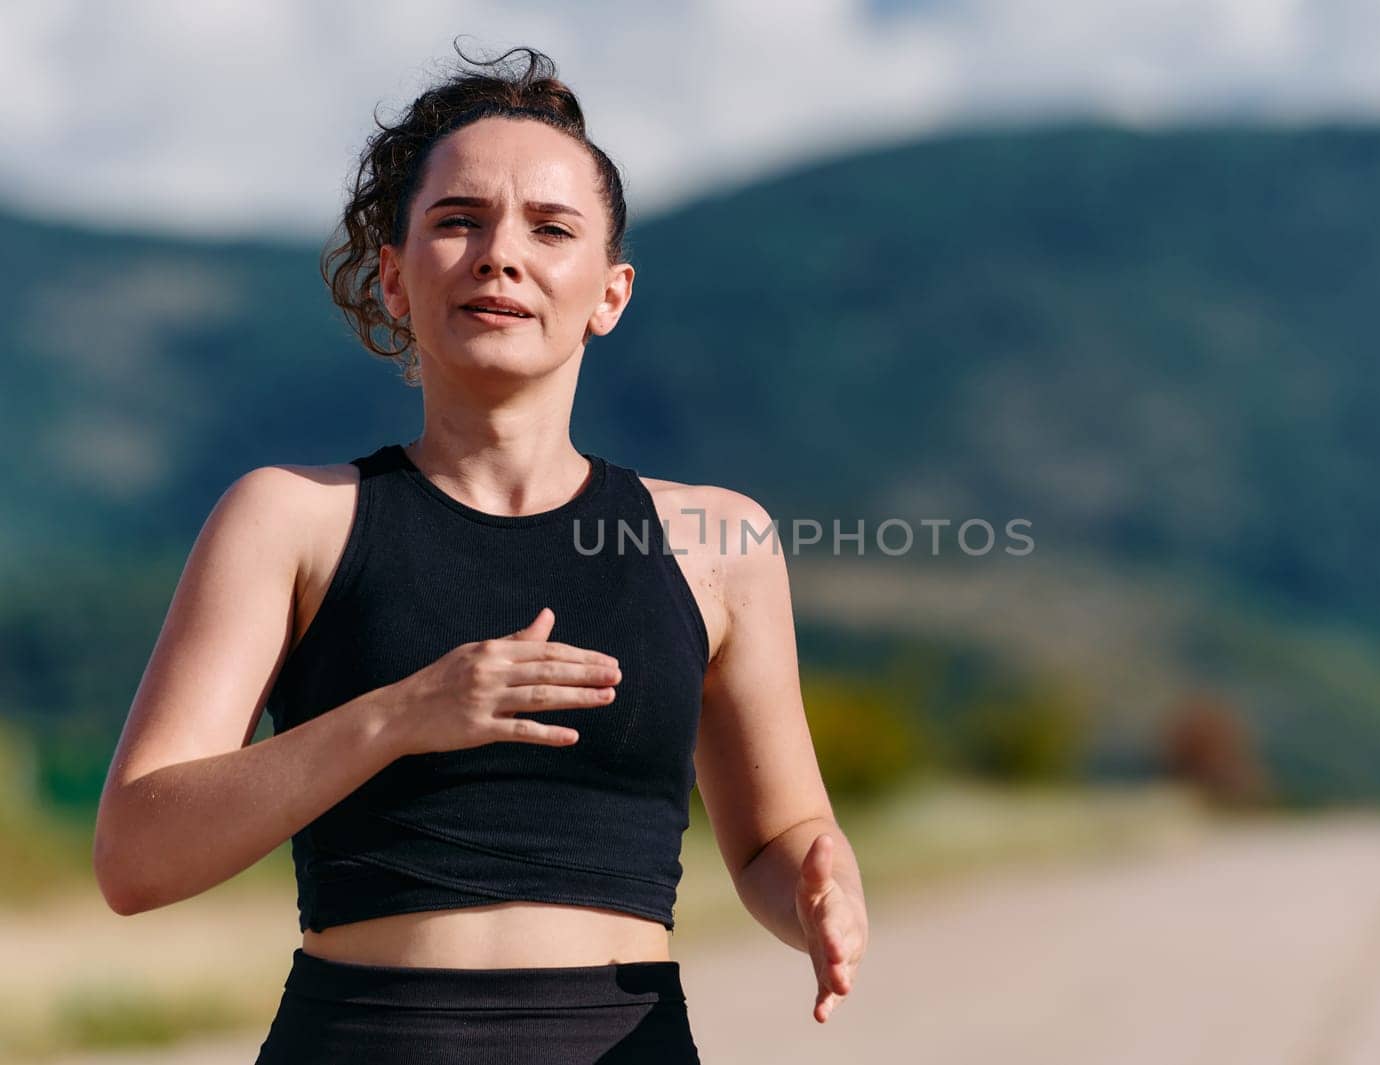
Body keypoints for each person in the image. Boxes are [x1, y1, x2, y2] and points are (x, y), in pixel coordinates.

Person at [92, 40, 869, 1064]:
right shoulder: (290, 520)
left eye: (551, 229)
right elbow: (135, 857)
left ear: (609, 293)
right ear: (396, 278)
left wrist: (821, 880)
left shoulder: (720, 542)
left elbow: (776, 841)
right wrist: (401, 717)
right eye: (457, 221)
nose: (500, 254)